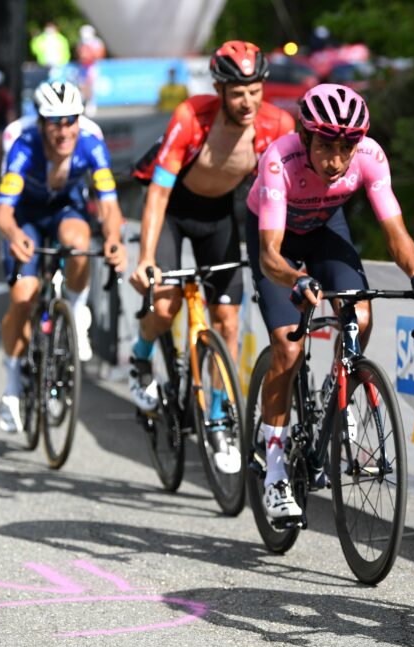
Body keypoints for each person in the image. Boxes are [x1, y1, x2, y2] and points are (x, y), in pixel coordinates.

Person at [247, 83, 414, 520]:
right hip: (275, 238)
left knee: (361, 313)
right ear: (305, 136)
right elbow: (270, 254)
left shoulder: (369, 156)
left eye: (346, 148)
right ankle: (275, 469)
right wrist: (298, 280)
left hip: (324, 228)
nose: (336, 161)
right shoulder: (279, 158)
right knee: (288, 348)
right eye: (326, 147)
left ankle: (340, 388)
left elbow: (395, 232)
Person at [127, 41, 294, 474]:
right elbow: (159, 192)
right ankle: (140, 356)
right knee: (164, 305)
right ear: (219, 90)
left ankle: (218, 414)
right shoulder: (191, 117)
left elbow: (282, 197)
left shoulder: (277, 124)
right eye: (238, 92)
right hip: (174, 212)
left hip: (220, 216)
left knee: (228, 320)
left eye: (255, 90)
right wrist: (146, 257)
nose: (248, 101)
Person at [0, 81, 127, 432]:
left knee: (79, 241)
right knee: (23, 297)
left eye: (71, 120)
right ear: (41, 123)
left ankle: (75, 310)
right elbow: (3, 212)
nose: (64, 129)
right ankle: (11, 387)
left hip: (66, 210)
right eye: (55, 122)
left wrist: (113, 238)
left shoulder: (91, 143)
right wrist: (14, 235)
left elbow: (109, 204)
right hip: (26, 215)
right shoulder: (22, 145)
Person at [76, 24, 106, 115]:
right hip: (83, 67)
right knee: (82, 85)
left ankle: (91, 104)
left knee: (91, 86)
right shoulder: (80, 42)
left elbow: (100, 55)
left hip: (92, 66)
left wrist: (90, 55)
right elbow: (79, 54)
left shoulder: (97, 42)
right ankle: (83, 104)